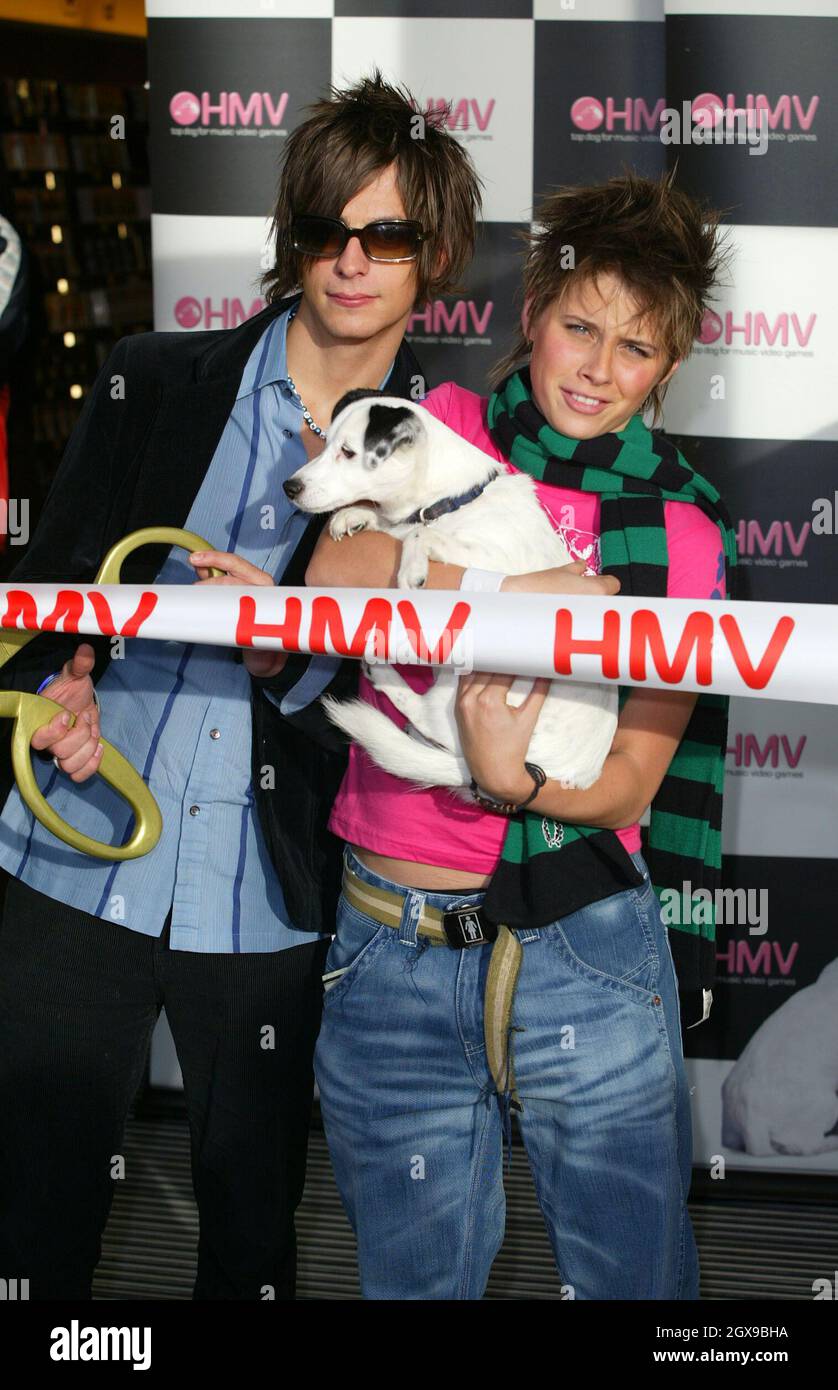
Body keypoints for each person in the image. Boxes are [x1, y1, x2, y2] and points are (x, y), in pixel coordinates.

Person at [0, 71, 487, 1300]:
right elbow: (49, 588)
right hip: (72, 856)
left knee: (252, 1239)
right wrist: (65, 673)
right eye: (327, 228)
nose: (350, 260)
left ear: (429, 256)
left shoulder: (450, 456)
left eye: (384, 235)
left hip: (270, 899)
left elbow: (422, 709)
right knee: (28, 1227)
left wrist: (288, 655)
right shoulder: (152, 376)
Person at [305, 169, 737, 1299]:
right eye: (579, 327)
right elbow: (335, 568)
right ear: (532, 315)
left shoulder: (681, 531)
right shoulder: (437, 426)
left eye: (635, 349)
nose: (598, 370)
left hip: (584, 949)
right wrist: (521, 584)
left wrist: (516, 783)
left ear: (670, 367)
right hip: (388, 937)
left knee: (633, 1289)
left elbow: (635, 776)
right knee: (412, 1286)